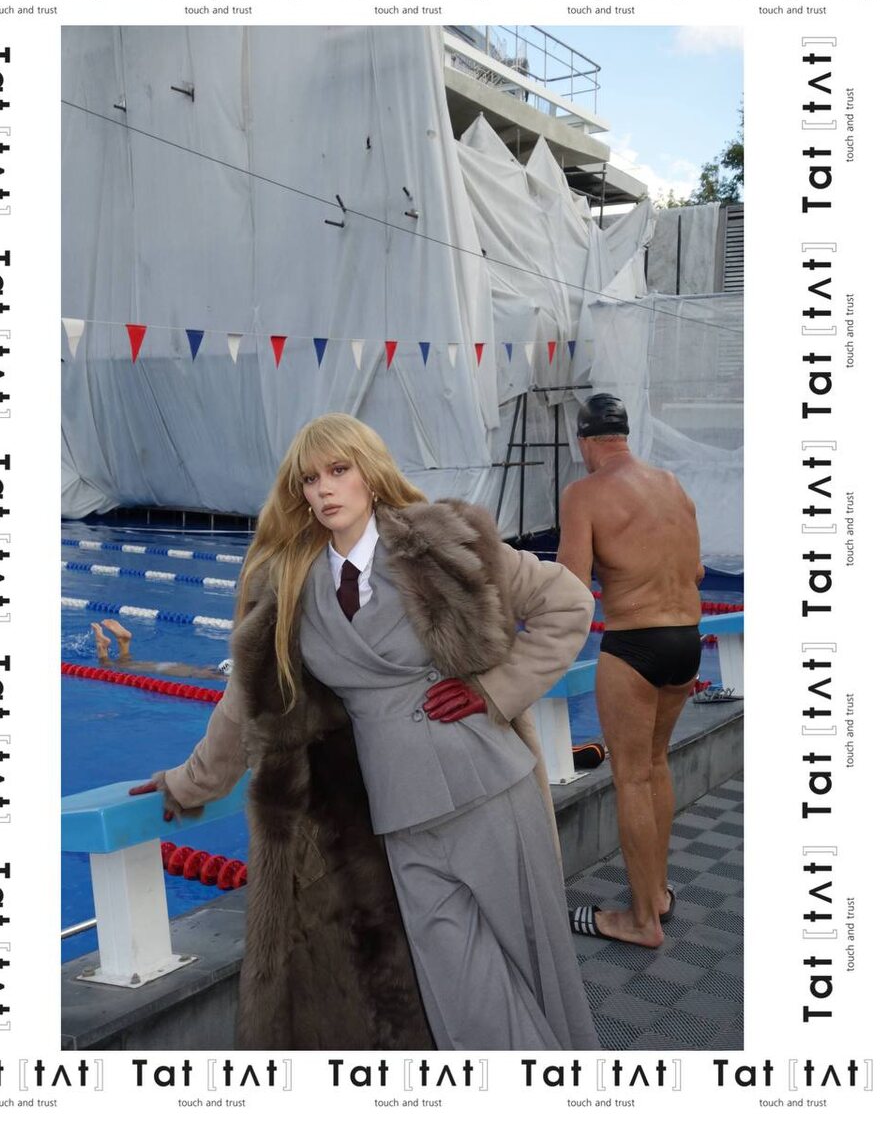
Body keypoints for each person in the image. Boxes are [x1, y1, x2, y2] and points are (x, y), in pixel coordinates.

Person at [137, 413, 598, 1051]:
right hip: (400, 814)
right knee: (462, 997)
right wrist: (188, 783)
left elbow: (569, 603)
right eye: (310, 479)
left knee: (537, 970)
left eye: (338, 470)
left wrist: (495, 691)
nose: (325, 488)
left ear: (370, 474)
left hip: (491, 791)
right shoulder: (291, 586)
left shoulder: (441, 542)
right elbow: (245, 703)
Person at [556, 393, 703, 949]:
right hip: (686, 641)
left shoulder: (583, 493)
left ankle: (642, 921)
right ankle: (657, 893)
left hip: (635, 646)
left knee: (632, 779)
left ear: (585, 442)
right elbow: (695, 569)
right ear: (624, 434)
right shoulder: (672, 485)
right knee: (656, 765)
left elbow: (571, 586)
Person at [90, 619, 232, 678]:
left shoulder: (218, 670)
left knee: (122, 666)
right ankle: (105, 647)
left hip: (175, 667)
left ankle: (121, 643)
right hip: (178, 670)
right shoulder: (220, 676)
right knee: (113, 668)